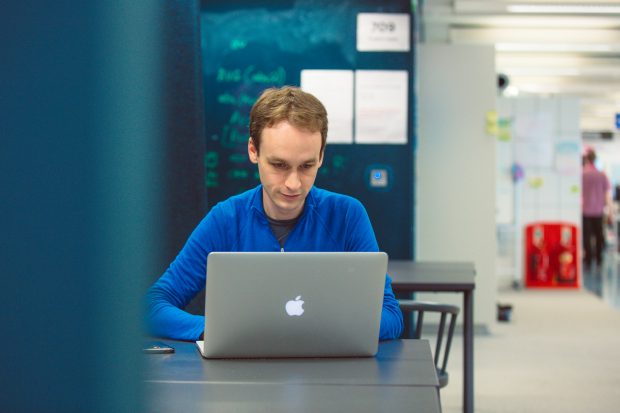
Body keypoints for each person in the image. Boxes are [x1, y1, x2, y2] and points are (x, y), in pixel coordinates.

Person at [146, 86, 404, 341]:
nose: (293, 183)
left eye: (307, 166)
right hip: (242, 377)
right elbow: (153, 307)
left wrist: (320, 329)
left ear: (322, 156)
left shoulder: (347, 216)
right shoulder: (226, 220)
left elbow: (391, 315)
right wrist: (217, 330)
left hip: (327, 374)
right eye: (279, 165)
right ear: (253, 151)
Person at [582, 148, 612, 269]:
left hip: (586, 210)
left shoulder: (582, 174)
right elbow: (607, 195)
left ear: (586, 160)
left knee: (587, 236)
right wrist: (610, 211)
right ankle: (599, 259)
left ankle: (588, 259)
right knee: (599, 235)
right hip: (599, 211)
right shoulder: (602, 175)